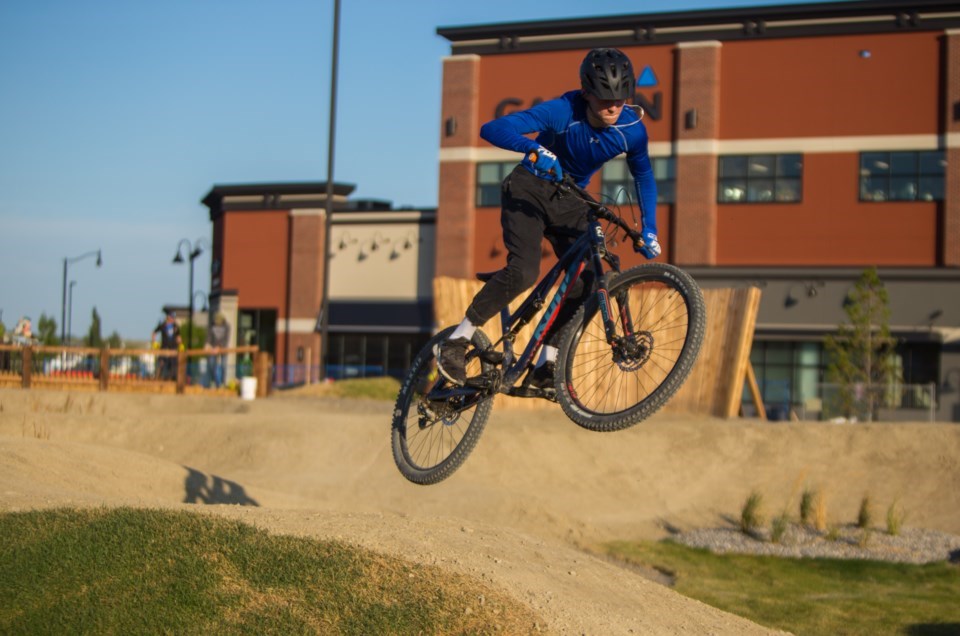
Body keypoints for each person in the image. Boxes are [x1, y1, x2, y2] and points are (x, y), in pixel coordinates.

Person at [435, 47, 661, 391]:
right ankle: (456, 340)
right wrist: (535, 149)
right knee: (524, 271)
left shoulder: (632, 130)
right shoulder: (562, 111)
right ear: (586, 93)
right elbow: (492, 127)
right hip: (528, 188)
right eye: (603, 99)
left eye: (620, 99)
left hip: (570, 198)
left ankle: (545, 364)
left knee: (591, 278)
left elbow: (643, 176)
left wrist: (649, 228)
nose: (612, 107)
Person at [152, 312, 181, 380]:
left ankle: (171, 379)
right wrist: (154, 343)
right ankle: (157, 378)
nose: (173, 319)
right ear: (168, 317)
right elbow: (154, 333)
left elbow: (178, 337)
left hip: (173, 348)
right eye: (171, 317)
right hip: (164, 347)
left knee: (173, 364)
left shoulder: (175, 326)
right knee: (161, 363)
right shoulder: (163, 325)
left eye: (173, 318)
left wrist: (180, 344)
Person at [205, 312, 231, 388]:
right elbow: (209, 337)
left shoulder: (227, 326)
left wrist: (219, 347)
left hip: (223, 348)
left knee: (223, 365)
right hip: (213, 349)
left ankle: (222, 383)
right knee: (211, 364)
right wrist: (207, 344)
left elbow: (226, 339)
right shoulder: (211, 325)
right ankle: (214, 382)